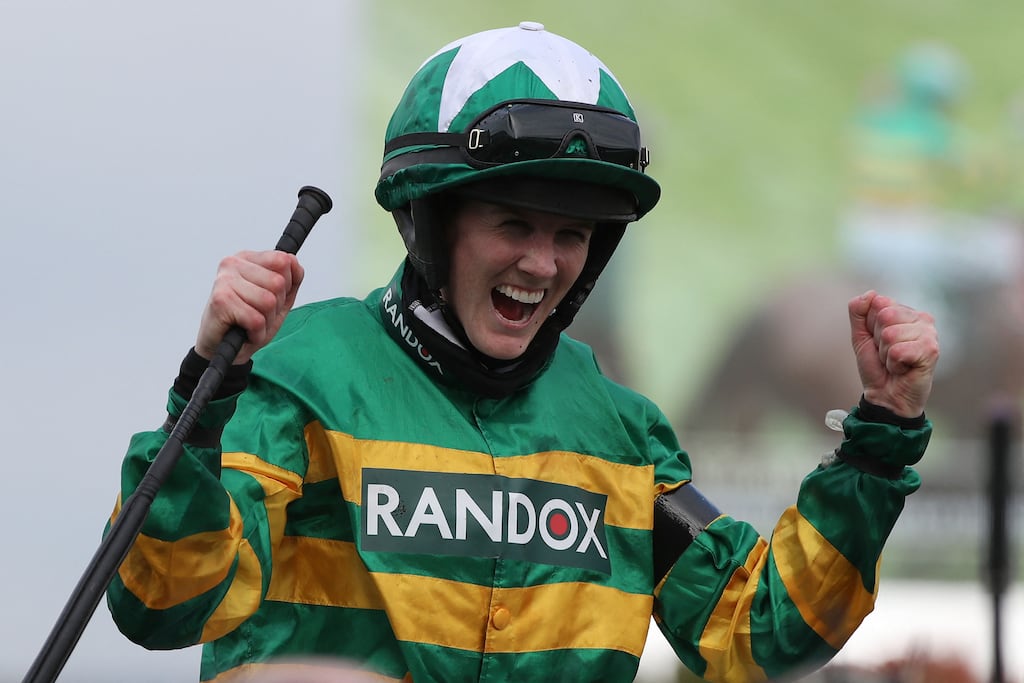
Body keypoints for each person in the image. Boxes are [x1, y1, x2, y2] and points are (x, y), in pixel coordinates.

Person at [105, 22, 940, 683]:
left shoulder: (622, 432)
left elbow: (765, 635)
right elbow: (166, 602)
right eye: (514, 224)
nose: (543, 264)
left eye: (571, 234)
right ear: (429, 223)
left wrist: (881, 436)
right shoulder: (297, 374)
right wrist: (201, 397)